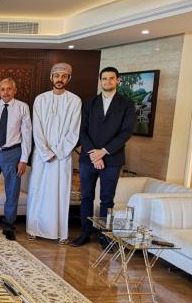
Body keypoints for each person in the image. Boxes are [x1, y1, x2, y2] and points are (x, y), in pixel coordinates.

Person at [71, 67, 135, 247]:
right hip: (88, 158)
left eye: (111, 78)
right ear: (100, 81)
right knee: (86, 197)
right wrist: (94, 153)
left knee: (107, 200)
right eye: (104, 78)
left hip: (112, 159)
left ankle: (105, 237)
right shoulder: (89, 103)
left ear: (117, 81)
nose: (107, 81)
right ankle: (85, 233)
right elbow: (82, 130)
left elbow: (126, 132)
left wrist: (104, 151)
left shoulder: (127, 104)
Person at [26, 63, 81, 243]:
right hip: (42, 155)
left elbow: (73, 132)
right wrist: (45, 151)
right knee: (37, 191)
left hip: (62, 157)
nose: (60, 79)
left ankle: (60, 233)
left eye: (64, 76)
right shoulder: (40, 99)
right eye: (57, 75)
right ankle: (33, 229)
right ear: (51, 77)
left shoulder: (75, 101)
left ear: (69, 79)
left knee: (60, 193)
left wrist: (57, 152)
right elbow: (37, 129)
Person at [0, 78, 32, 241]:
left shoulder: (23, 107)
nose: (6, 92)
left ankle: (9, 227)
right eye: (2, 89)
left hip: (13, 153)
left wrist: (24, 159)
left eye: (9, 89)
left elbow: (27, 134)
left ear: (14, 90)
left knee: (12, 192)